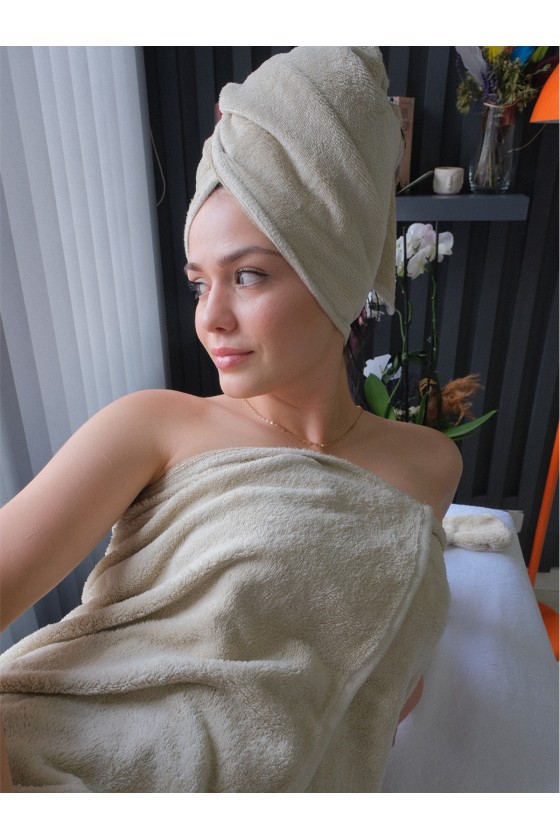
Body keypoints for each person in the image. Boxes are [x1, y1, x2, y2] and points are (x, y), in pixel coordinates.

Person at [0, 46, 462, 793]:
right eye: (198, 283)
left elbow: (383, 675)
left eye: (247, 275)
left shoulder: (430, 465)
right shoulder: (154, 426)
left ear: (339, 276)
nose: (210, 318)